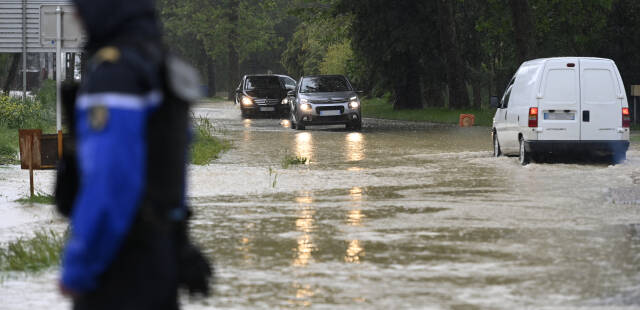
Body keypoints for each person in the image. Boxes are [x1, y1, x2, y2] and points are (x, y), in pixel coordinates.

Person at [57, 0, 211, 309]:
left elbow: (110, 186)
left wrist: (77, 269)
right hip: (162, 256)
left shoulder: (115, 75)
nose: (76, 14)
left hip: (120, 266)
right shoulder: (159, 65)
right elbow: (171, 177)